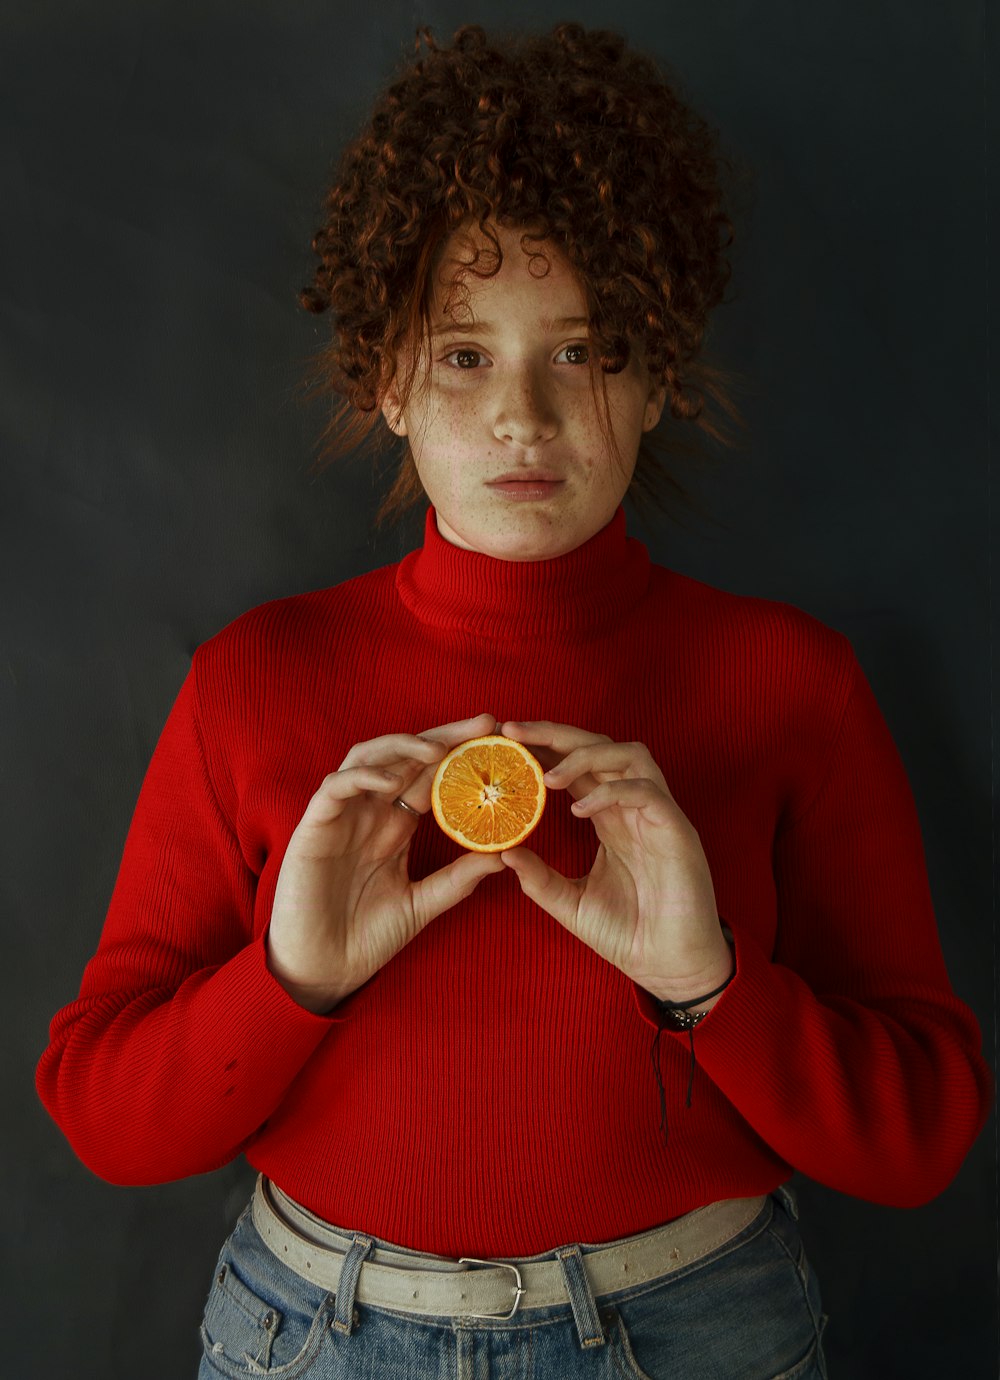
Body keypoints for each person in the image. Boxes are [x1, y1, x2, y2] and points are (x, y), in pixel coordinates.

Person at [36, 22, 991, 1380]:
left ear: (657, 375)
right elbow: (106, 1122)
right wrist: (292, 979)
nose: (523, 420)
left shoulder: (789, 681)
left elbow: (919, 1140)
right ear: (385, 384)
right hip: (317, 1335)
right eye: (465, 355)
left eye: (586, 352)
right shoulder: (257, 678)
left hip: (696, 1331)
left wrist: (709, 982)